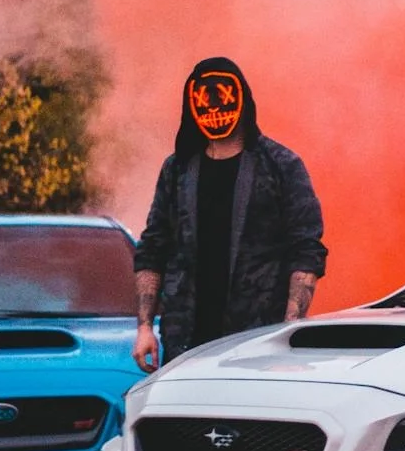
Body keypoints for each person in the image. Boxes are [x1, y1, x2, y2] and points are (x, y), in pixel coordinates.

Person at [132, 56, 327, 370]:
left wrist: (289, 328)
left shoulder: (281, 166)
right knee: (185, 418)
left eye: (223, 99)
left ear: (242, 101)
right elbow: (153, 248)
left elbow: (305, 250)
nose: (213, 109)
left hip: (257, 340)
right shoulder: (177, 170)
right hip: (184, 340)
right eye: (202, 101)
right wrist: (144, 328)